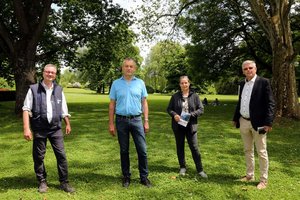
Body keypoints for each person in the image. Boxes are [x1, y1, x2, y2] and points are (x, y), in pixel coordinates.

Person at [23, 64, 75, 193]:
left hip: (55, 128)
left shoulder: (59, 89)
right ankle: (42, 181)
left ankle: (64, 182)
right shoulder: (34, 89)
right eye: (48, 72)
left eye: (52, 72)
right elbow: (26, 109)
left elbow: (64, 109)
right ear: (43, 73)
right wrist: (26, 128)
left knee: (61, 155)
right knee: (39, 156)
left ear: (55, 75)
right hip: (39, 128)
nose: (50, 74)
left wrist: (67, 123)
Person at [109, 58, 151, 188]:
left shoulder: (140, 83)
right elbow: (112, 104)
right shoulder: (116, 84)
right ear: (122, 68)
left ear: (135, 69)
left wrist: (146, 120)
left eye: (131, 66)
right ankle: (126, 176)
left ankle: (144, 177)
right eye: (126, 66)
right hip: (121, 120)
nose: (128, 68)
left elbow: (144, 102)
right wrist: (111, 123)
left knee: (142, 150)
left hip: (137, 120)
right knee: (124, 150)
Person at [233, 60, 275, 190]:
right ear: (243, 71)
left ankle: (263, 180)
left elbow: (271, 104)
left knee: (261, 151)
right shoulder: (241, 83)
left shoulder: (264, 82)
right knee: (247, 150)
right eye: (245, 69)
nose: (248, 70)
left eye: (250, 68)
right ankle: (249, 175)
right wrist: (236, 118)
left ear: (255, 69)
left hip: (259, 123)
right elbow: (240, 102)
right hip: (243, 121)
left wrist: (268, 122)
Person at [167, 76, 208, 178]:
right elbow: (169, 109)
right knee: (180, 147)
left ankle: (200, 169)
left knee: (194, 147)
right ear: (180, 84)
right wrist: (174, 115)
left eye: (186, 83)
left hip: (191, 126)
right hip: (178, 126)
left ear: (189, 83)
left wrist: (191, 115)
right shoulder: (175, 96)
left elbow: (201, 109)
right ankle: (182, 167)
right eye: (182, 83)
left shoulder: (195, 96)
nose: (184, 85)